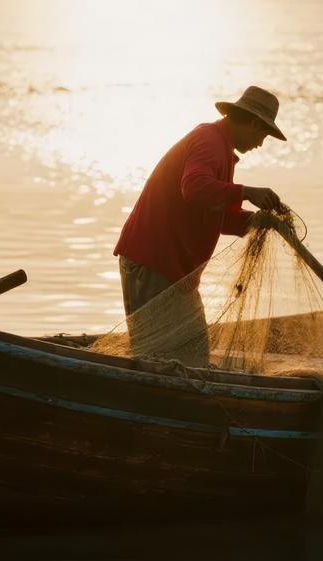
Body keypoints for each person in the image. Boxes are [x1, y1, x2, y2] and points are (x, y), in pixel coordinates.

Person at [112, 86, 287, 363]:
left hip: (173, 270)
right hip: (153, 261)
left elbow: (220, 216)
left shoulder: (222, 150)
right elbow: (193, 188)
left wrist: (257, 222)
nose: (260, 144)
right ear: (253, 123)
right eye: (263, 134)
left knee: (188, 355)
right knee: (163, 359)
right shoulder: (209, 141)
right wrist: (246, 192)